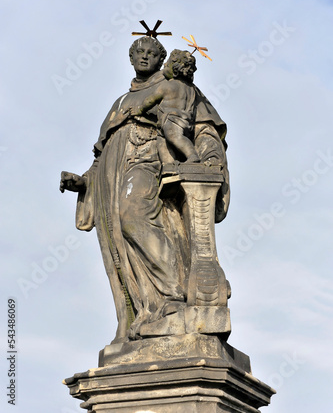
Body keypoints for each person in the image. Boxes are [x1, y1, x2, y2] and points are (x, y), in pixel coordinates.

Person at [60, 36, 230, 342]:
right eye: (138, 52)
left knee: (134, 217)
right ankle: (148, 310)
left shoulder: (175, 86)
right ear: (130, 58)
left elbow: (203, 127)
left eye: (152, 53)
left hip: (152, 165)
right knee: (123, 235)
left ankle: (173, 298)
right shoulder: (121, 102)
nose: (144, 57)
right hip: (113, 178)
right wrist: (84, 181)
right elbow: (103, 155)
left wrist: (209, 156)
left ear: (162, 59)